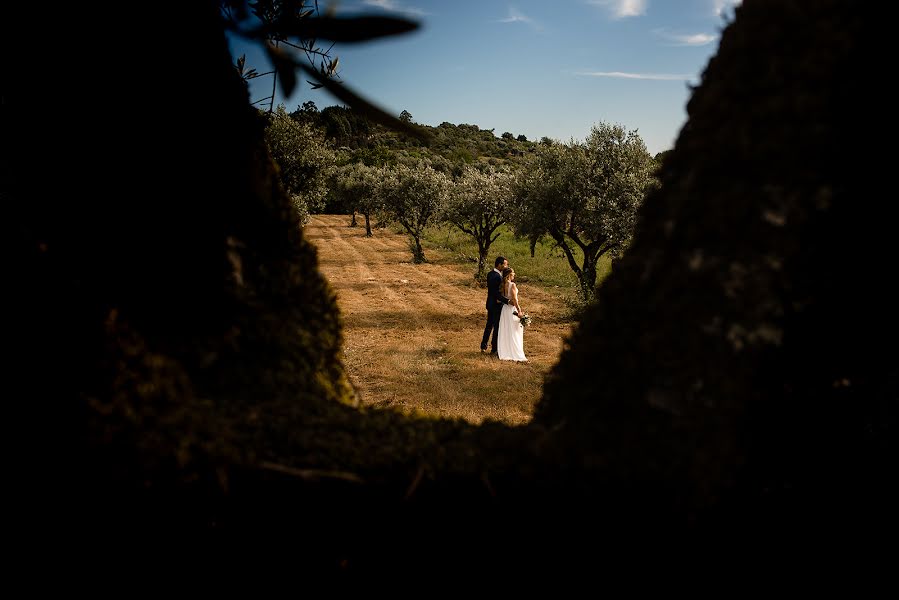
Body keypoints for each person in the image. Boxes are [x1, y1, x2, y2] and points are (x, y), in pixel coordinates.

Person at [497, 267, 527, 362]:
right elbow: (515, 300)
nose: (514, 274)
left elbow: (500, 298)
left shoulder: (503, 285)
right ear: (509, 275)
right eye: (513, 273)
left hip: (505, 309)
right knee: (514, 330)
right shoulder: (512, 285)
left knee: (506, 329)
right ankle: (514, 351)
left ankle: (505, 350)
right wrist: (519, 311)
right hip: (512, 310)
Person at [481, 256, 509, 355]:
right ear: (499, 264)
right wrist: (507, 301)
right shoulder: (496, 277)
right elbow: (495, 293)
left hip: (490, 303)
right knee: (495, 327)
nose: (506, 266)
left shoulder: (491, 273)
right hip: (495, 305)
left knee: (489, 326)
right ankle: (494, 349)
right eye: (505, 264)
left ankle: (484, 346)